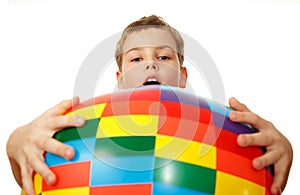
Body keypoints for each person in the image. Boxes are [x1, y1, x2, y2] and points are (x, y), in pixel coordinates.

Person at [6, 15, 292, 195]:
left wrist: (283, 148)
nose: (151, 63)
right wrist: (18, 139)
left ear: (182, 76)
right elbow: (29, 173)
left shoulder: (218, 127)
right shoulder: (84, 124)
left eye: (164, 57)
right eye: (136, 58)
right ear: (119, 78)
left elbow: (265, 180)